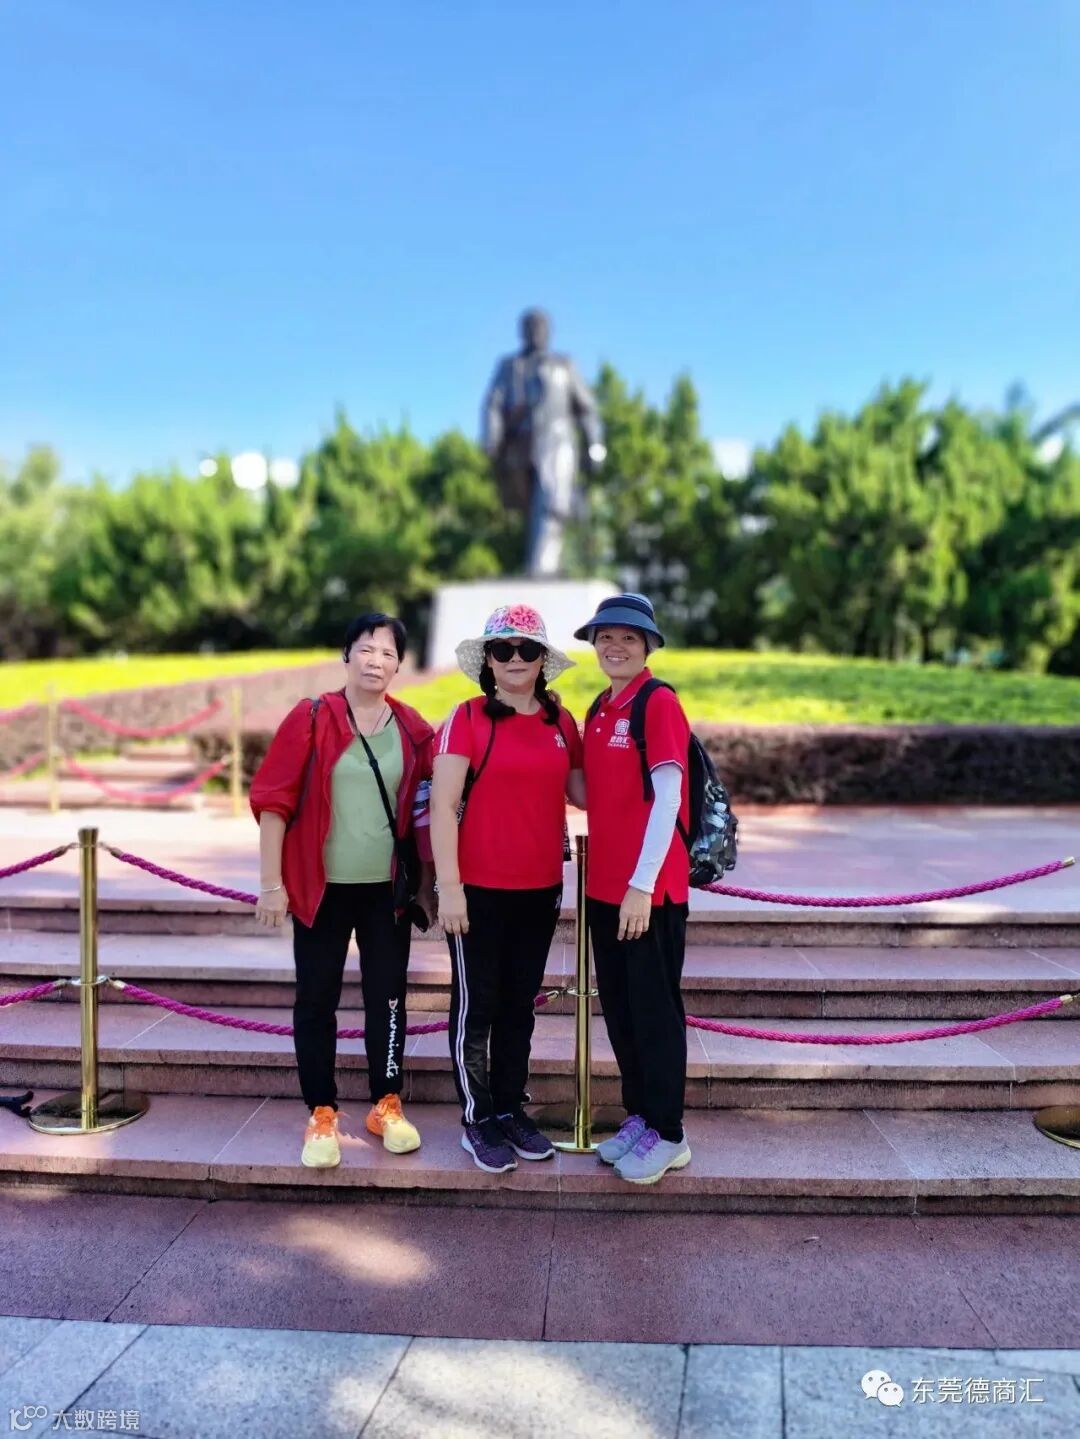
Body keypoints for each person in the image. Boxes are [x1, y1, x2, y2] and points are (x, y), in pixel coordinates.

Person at [250, 613, 435, 1169]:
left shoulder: (412, 728)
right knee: (316, 998)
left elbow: (431, 803)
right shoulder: (312, 717)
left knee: (388, 996)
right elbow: (274, 803)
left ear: (399, 665)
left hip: (386, 892)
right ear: (347, 654)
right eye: (367, 649)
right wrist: (271, 884)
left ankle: (386, 1103)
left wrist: (430, 884)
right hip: (320, 888)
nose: (376, 661)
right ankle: (322, 1110)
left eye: (388, 653)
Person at [430, 604, 585, 1173]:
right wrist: (449, 888)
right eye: (503, 649)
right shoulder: (467, 718)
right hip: (476, 890)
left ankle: (510, 1108)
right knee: (477, 1007)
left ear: (543, 660)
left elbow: (586, 792)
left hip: (540, 888)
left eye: (527, 649)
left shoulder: (560, 722)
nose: (515, 659)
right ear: (488, 661)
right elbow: (443, 806)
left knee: (519, 1007)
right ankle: (477, 1118)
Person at [573, 593, 693, 1184]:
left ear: (648, 645)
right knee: (621, 1011)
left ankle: (669, 1133)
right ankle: (641, 1116)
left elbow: (668, 797)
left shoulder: (657, 702)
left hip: (649, 892)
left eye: (628, 637)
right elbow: (587, 791)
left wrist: (642, 885)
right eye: (605, 637)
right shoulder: (599, 707)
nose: (614, 646)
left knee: (653, 1012)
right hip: (604, 888)